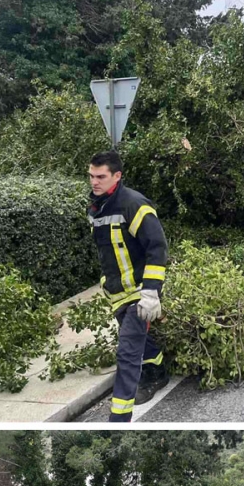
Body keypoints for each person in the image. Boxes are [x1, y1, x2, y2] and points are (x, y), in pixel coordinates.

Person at [87, 150, 169, 422]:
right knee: (141, 342)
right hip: (118, 294)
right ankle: (158, 371)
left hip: (139, 293)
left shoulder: (133, 204)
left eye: (101, 177)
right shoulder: (98, 207)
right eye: (91, 176)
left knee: (127, 353)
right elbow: (106, 251)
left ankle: (119, 418)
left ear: (117, 176)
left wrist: (151, 292)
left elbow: (157, 248)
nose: (94, 182)